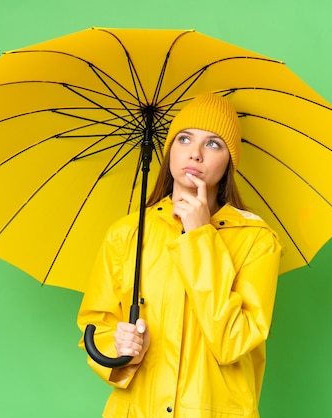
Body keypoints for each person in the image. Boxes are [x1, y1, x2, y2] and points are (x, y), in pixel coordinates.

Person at [77, 93, 282, 417]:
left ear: (230, 160)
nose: (195, 154)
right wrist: (120, 349)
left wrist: (200, 236)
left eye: (213, 144)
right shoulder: (128, 233)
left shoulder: (257, 240)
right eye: (184, 139)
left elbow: (233, 340)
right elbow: (96, 326)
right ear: (170, 150)